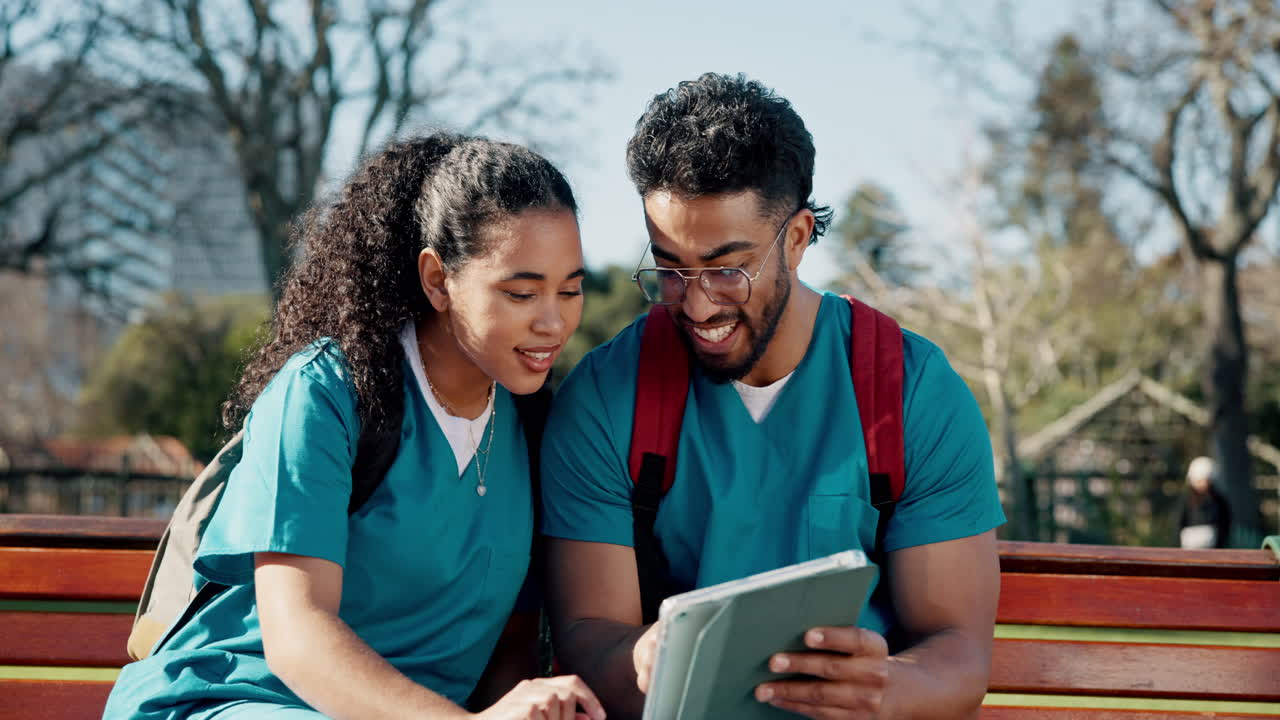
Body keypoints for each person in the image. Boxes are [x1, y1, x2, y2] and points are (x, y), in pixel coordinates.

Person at [540, 73, 1005, 719]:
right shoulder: (604, 399)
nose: (697, 303)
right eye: (671, 268)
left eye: (727, 267)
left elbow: (955, 651)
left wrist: (884, 689)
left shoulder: (912, 392)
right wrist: (638, 657)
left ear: (796, 238)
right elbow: (591, 636)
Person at [104, 133, 605, 720]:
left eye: (571, 290)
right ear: (438, 280)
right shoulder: (325, 392)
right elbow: (298, 638)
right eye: (522, 292)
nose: (554, 321)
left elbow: (508, 655)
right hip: (241, 701)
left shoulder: (537, 425)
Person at [1179, 456, 1232, 549]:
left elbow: (1225, 525)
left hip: (1214, 552)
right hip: (1188, 553)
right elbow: (1178, 525)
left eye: (1205, 480)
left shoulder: (1219, 501)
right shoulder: (1186, 501)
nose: (1203, 484)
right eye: (1199, 480)